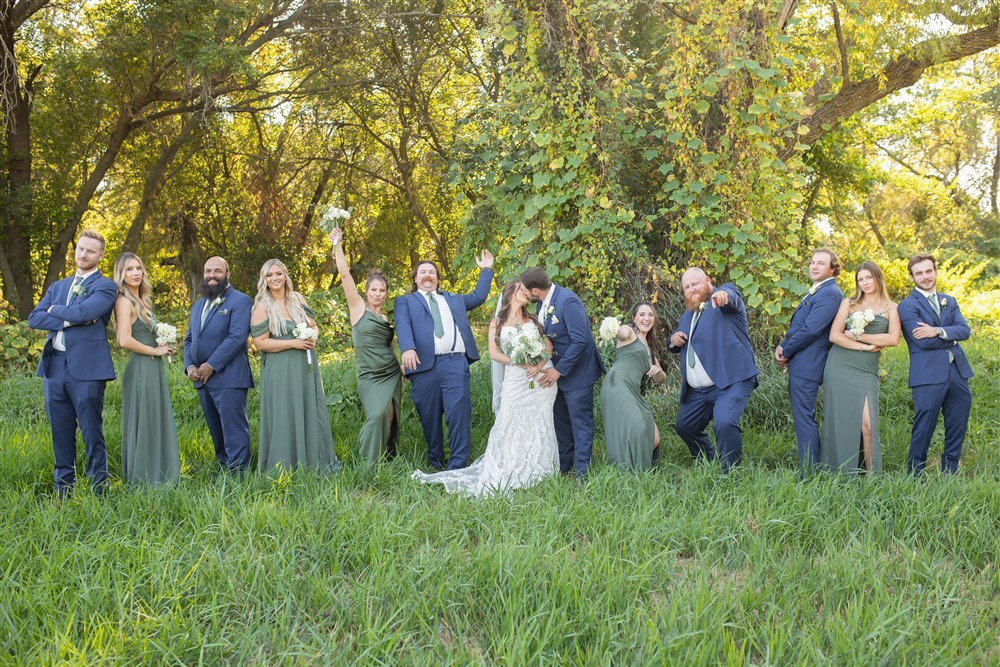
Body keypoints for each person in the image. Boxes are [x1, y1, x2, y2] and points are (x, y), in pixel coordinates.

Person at [412, 281, 558, 495]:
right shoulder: (496, 323)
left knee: (540, 420)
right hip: (516, 378)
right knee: (508, 420)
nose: (527, 293)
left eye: (527, 290)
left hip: (541, 378)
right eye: (522, 289)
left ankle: (539, 466)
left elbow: (548, 345)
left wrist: (537, 366)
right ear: (510, 293)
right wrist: (518, 361)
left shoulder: (532, 319)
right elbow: (493, 354)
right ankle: (509, 465)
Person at [28, 230, 118, 495]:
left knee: (92, 432)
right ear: (75, 250)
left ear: (100, 255)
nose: (84, 254)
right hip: (54, 366)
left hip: (88, 369)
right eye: (80, 249)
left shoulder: (106, 286)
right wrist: (68, 317)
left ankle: (98, 489)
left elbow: (87, 311)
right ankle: (63, 489)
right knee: (60, 430)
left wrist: (55, 312)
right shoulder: (58, 287)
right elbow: (34, 318)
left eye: (91, 251)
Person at [395, 252, 494, 470]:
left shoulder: (454, 299)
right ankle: (435, 460)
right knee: (429, 416)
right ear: (415, 278)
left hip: (454, 364)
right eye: (423, 272)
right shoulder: (405, 301)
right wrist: (408, 348)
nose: (427, 275)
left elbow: (478, 296)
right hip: (422, 366)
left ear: (438, 278)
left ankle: (458, 464)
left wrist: (486, 270)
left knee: (458, 413)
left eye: (432, 272)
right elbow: (402, 324)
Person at [250, 258, 341, 474]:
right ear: (264, 279)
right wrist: (293, 342)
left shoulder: (298, 299)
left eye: (278, 274)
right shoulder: (262, 306)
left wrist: (313, 336)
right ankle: (283, 466)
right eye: (269, 275)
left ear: (285, 275)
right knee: (284, 413)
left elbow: (314, 326)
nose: (275, 278)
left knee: (309, 409)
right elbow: (260, 342)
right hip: (280, 369)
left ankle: (314, 462)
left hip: (305, 366)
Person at [668, 268, 758, 472]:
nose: (691, 289)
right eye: (687, 287)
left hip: (730, 381)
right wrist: (672, 340)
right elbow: (677, 338)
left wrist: (723, 294)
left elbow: (731, 296)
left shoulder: (722, 300)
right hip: (698, 391)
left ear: (708, 280)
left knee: (724, 422)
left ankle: (730, 474)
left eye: (695, 283)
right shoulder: (687, 315)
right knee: (685, 426)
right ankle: (708, 460)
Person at [520, 267, 604, 480]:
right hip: (556, 375)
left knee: (580, 423)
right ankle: (564, 467)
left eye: (527, 291)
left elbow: (581, 341)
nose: (527, 296)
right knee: (562, 422)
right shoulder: (542, 303)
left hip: (578, 373)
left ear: (536, 290)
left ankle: (582, 473)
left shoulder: (568, 301)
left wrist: (559, 370)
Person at [820, 261, 901, 476]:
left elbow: (893, 339)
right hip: (840, 365)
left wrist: (859, 335)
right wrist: (864, 347)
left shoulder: (892, 307)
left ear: (878, 277)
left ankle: (872, 477)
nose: (865, 283)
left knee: (867, 424)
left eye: (868, 277)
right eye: (860, 279)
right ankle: (839, 471)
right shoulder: (850, 303)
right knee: (840, 419)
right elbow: (835, 336)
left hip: (866, 372)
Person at [329, 228, 402, 466]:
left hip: (391, 373)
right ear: (366, 292)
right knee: (376, 414)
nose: (378, 294)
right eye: (374, 290)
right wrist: (337, 245)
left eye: (382, 291)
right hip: (370, 376)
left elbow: (388, 347)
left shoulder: (386, 319)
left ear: (386, 294)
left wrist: (400, 367)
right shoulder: (358, 310)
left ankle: (383, 458)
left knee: (390, 415)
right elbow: (345, 276)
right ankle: (367, 462)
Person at [897, 253, 973, 475]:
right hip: (927, 375)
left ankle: (950, 472)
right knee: (924, 427)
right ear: (912, 277)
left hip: (957, 372)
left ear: (936, 271)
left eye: (928, 271)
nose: (925, 276)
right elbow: (924, 341)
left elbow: (965, 330)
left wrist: (938, 330)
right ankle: (915, 473)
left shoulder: (949, 300)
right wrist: (951, 335)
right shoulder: (907, 305)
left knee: (957, 424)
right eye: (919, 273)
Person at [112, 252, 181, 486]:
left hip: (153, 368)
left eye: (138, 268)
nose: (135, 273)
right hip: (141, 367)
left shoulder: (143, 301)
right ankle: (143, 478)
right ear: (121, 274)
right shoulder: (123, 302)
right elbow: (124, 340)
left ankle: (159, 473)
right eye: (129, 269)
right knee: (145, 419)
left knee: (154, 417)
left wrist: (163, 344)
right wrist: (154, 351)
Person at [775, 248, 844, 475]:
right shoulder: (817, 291)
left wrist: (787, 349)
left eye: (821, 263)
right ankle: (810, 466)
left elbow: (811, 329)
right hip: (802, 360)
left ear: (833, 268)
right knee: (803, 415)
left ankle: (808, 472)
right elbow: (799, 325)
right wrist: (782, 344)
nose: (814, 266)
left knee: (804, 417)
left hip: (810, 363)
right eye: (812, 262)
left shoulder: (830, 293)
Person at [183, 256, 253, 477]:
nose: (212, 275)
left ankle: (239, 476)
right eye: (207, 271)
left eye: (217, 271)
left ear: (227, 275)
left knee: (234, 430)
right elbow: (189, 340)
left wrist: (211, 365)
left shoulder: (240, 301)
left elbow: (237, 337)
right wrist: (190, 367)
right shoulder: (198, 306)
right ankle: (225, 471)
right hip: (202, 380)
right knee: (216, 431)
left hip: (229, 377)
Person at [600, 302, 667, 470]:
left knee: (654, 437)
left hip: (633, 391)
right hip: (618, 384)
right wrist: (613, 328)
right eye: (642, 314)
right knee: (637, 428)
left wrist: (656, 371)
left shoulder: (649, 347)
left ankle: (637, 467)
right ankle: (629, 473)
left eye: (650, 315)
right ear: (634, 318)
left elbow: (661, 379)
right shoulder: (630, 333)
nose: (646, 318)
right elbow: (621, 332)